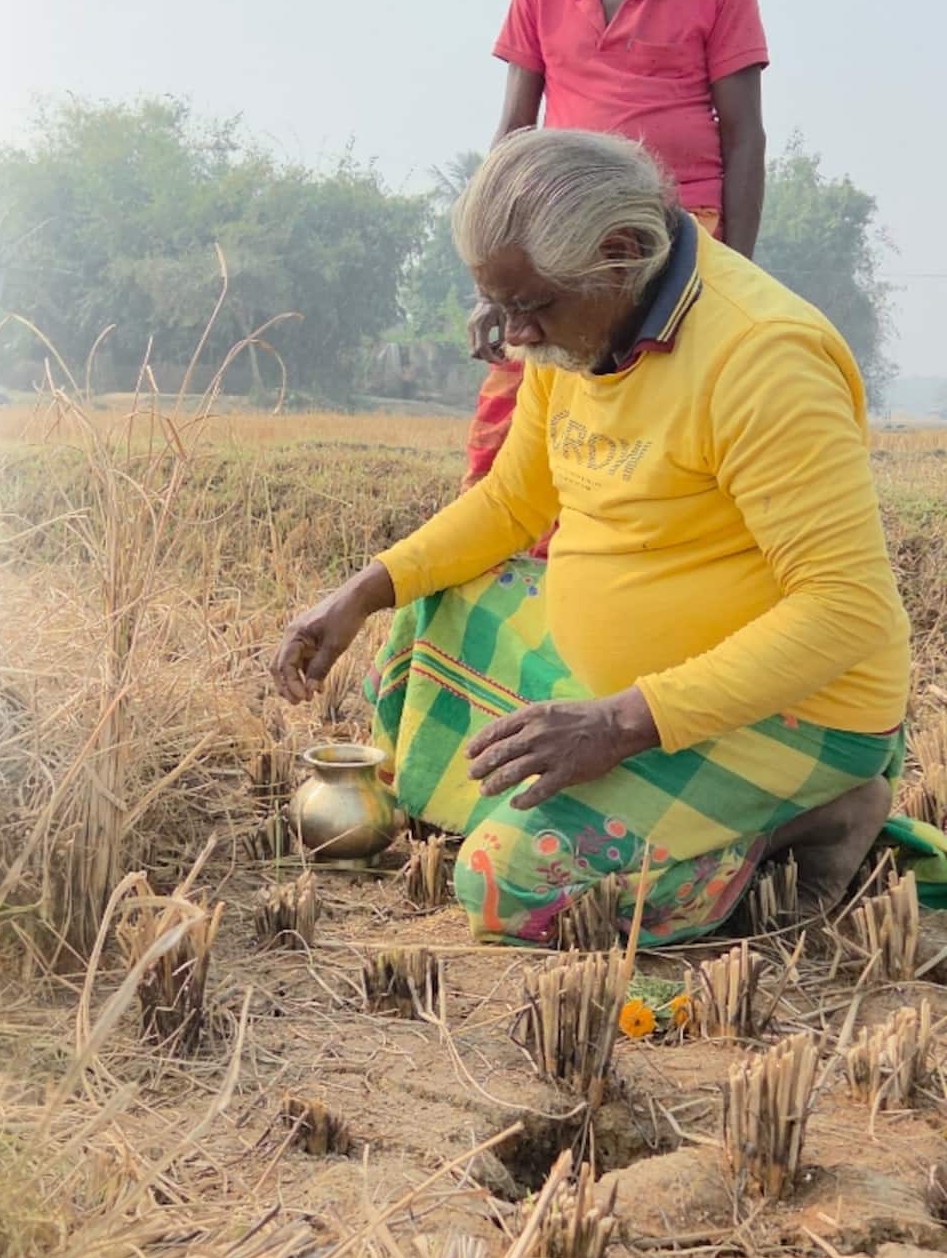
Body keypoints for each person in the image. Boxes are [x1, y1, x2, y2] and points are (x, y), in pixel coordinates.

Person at [272, 129, 943, 946]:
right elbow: (514, 503)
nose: (515, 337)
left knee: (504, 886)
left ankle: (810, 825)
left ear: (621, 255)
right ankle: (634, 803)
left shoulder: (764, 359)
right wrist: (362, 592)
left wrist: (619, 725)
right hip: (633, 692)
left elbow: (846, 611)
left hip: (791, 715)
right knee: (425, 613)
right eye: (500, 307)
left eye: (530, 307)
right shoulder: (581, 325)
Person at [463, 0, 770, 496]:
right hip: (552, 235)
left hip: (674, 232)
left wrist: (735, 277)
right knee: (510, 431)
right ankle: (507, 584)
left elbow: (746, 138)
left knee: (656, 430)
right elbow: (513, 135)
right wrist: (489, 281)